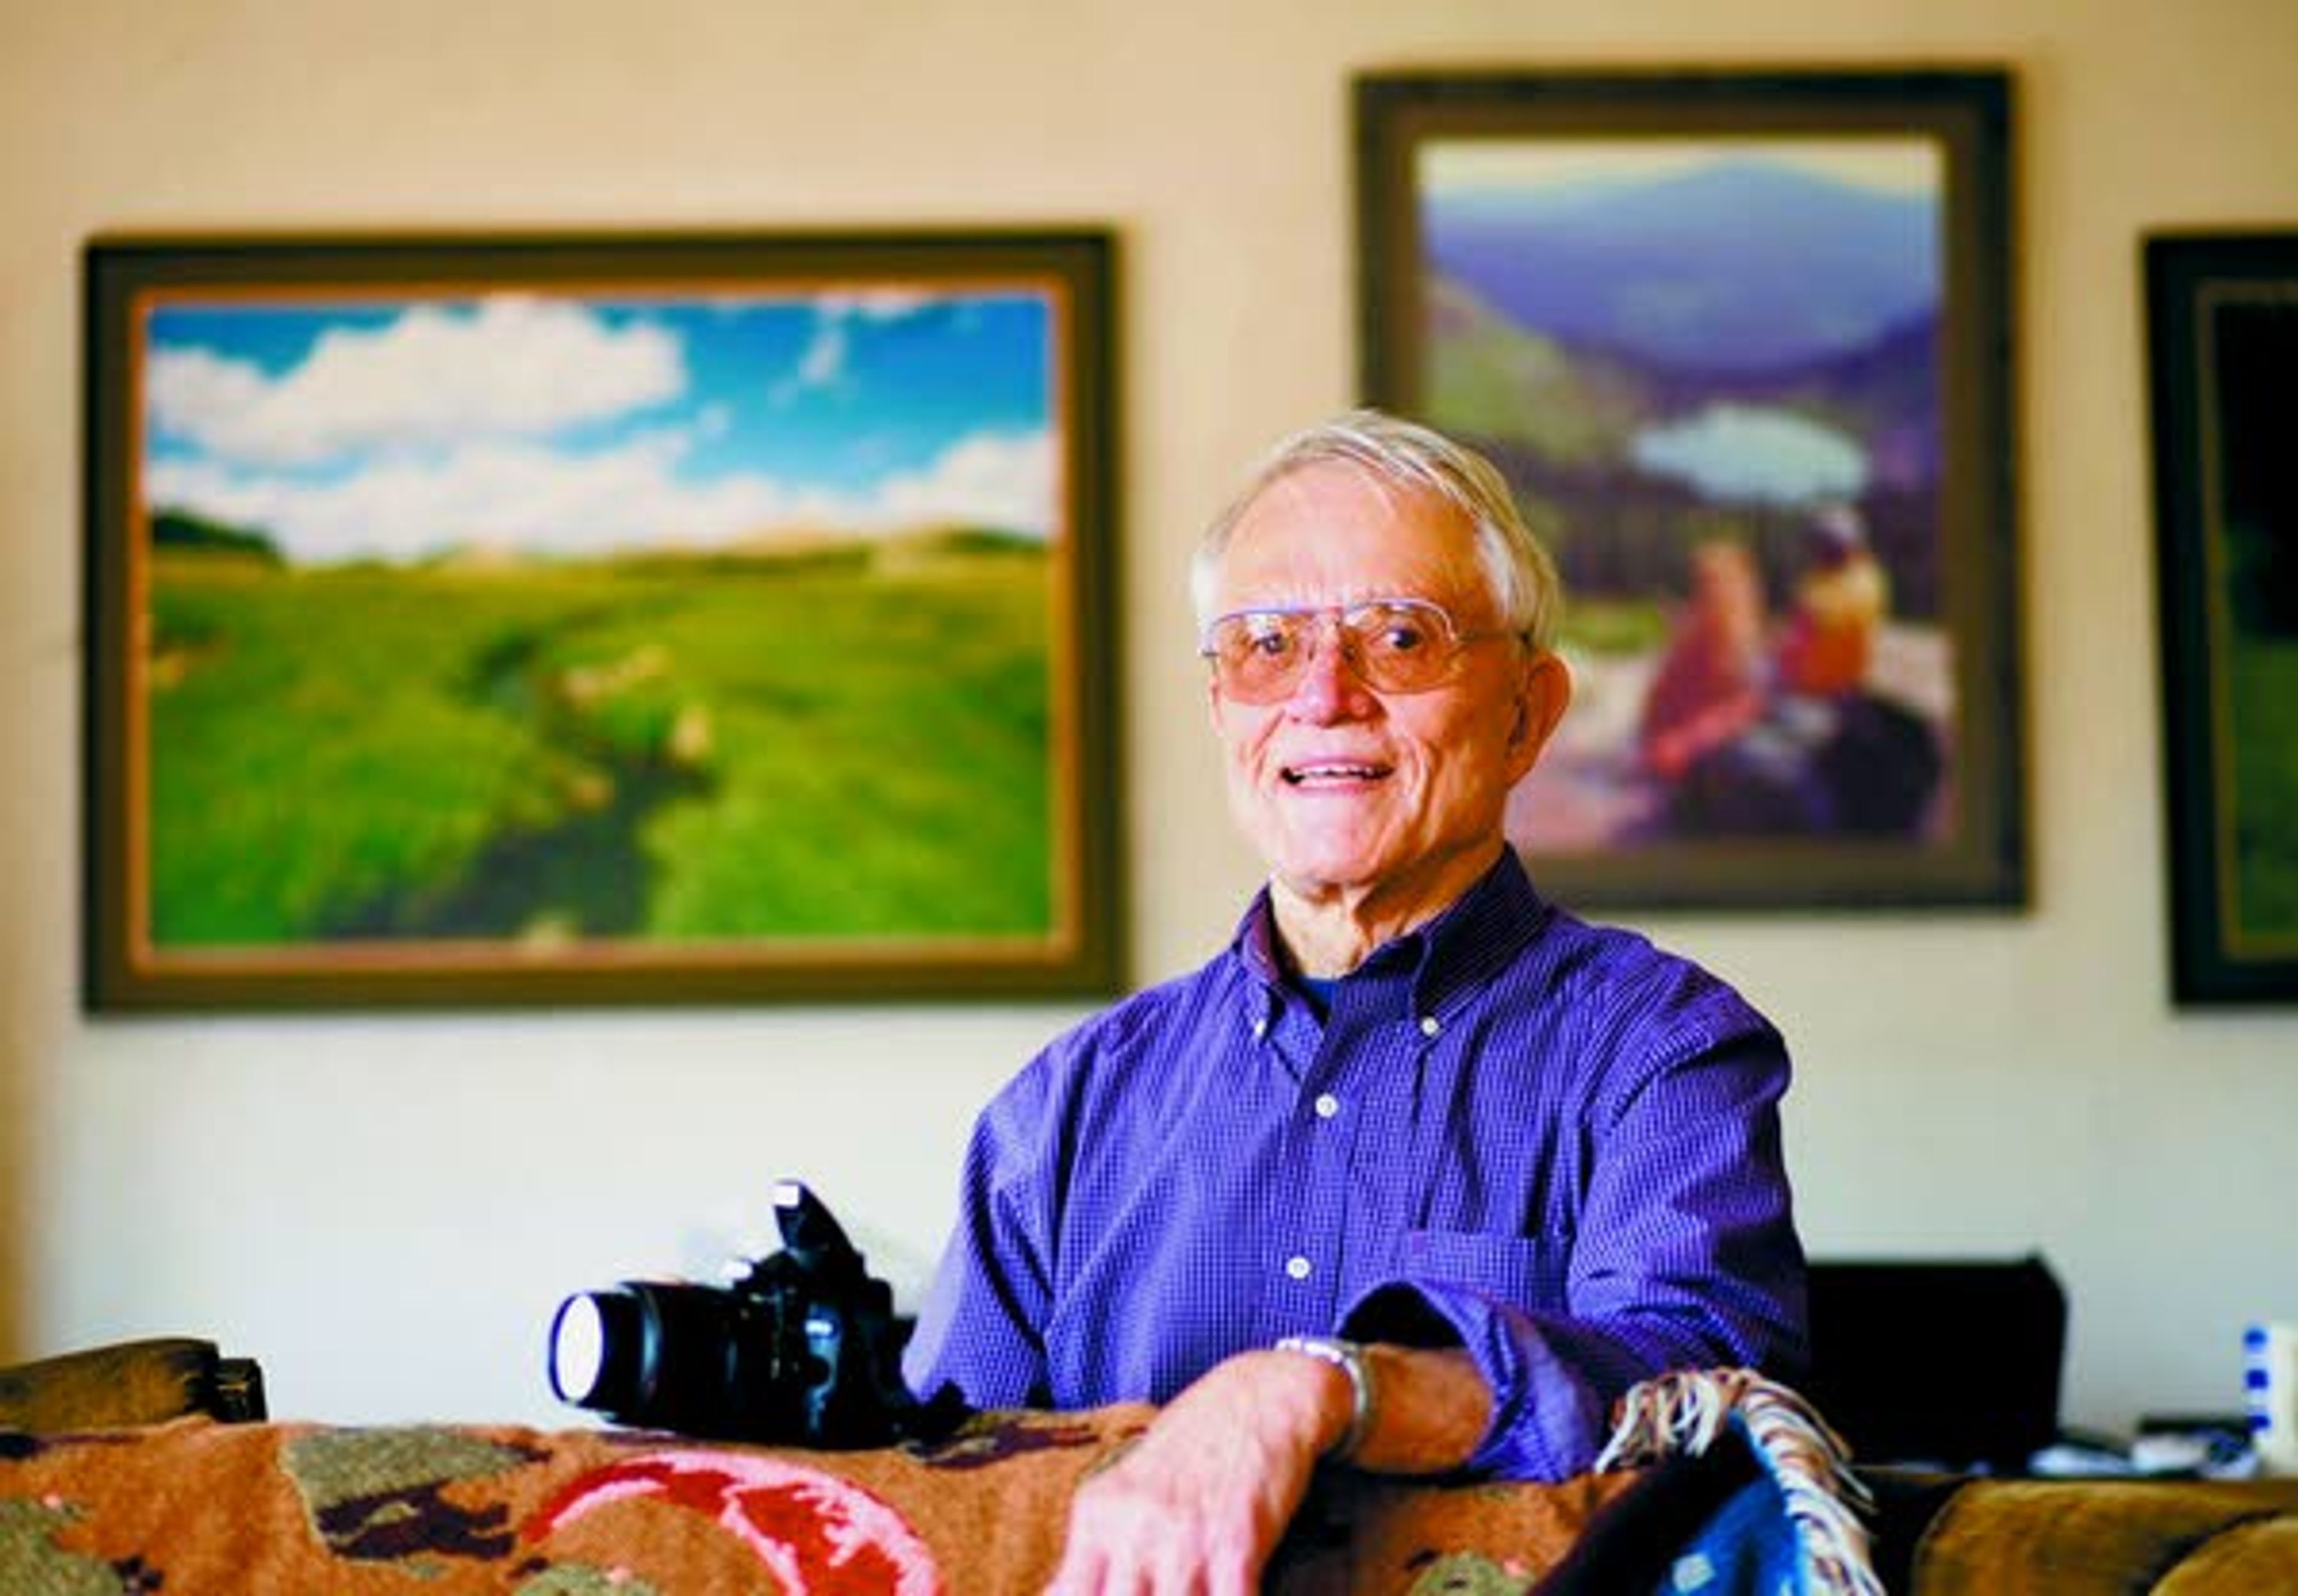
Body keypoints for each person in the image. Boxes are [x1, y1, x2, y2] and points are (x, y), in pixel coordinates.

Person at [902, 411, 1806, 1592]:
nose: (1325, 697)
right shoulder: (1063, 1108)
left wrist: (1326, 1387)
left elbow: (1704, 1400)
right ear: (1223, 706)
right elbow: (934, 1495)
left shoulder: (1665, 1051)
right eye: (1267, 644)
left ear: (1527, 711)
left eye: (1398, 637)